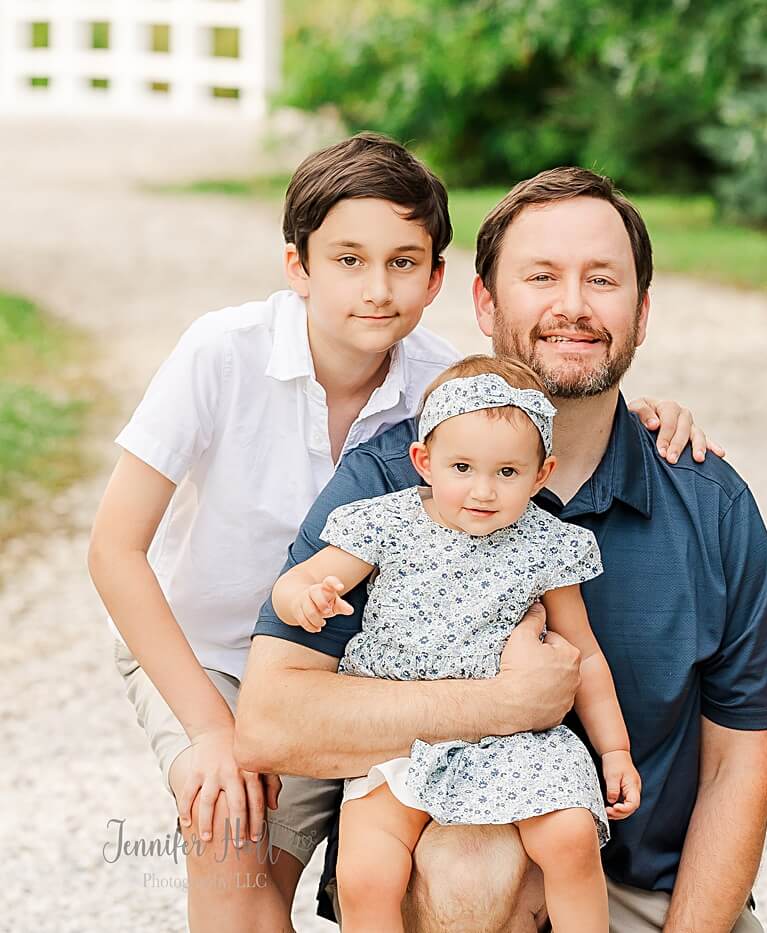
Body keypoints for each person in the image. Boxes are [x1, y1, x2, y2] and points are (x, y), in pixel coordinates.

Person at [87, 134, 710, 932]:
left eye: (403, 262)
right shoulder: (221, 354)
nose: (377, 289)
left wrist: (648, 410)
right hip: (205, 654)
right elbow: (114, 550)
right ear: (297, 265)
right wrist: (211, 729)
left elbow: (528, 409)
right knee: (233, 833)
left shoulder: (437, 378)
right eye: (347, 259)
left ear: (437, 277)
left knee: (385, 855)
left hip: (352, 671)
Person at [236, 166, 767, 932]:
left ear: (643, 309)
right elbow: (270, 719)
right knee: (471, 862)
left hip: (639, 899)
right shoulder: (393, 480)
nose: (573, 305)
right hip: (442, 880)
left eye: (602, 278)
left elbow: (740, 759)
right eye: (541, 277)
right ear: (485, 302)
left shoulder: (708, 500)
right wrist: (496, 706)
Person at [273, 355, 641, 933]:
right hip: (402, 733)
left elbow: (584, 652)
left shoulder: (545, 543)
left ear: (541, 474)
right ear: (424, 462)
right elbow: (301, 579)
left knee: (570, 837)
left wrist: (614, 749)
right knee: (367, 874)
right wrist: (304, 598)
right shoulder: (386, 524)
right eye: (463, 467)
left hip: (516, 739)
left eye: (507, 473)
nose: (483, 490)